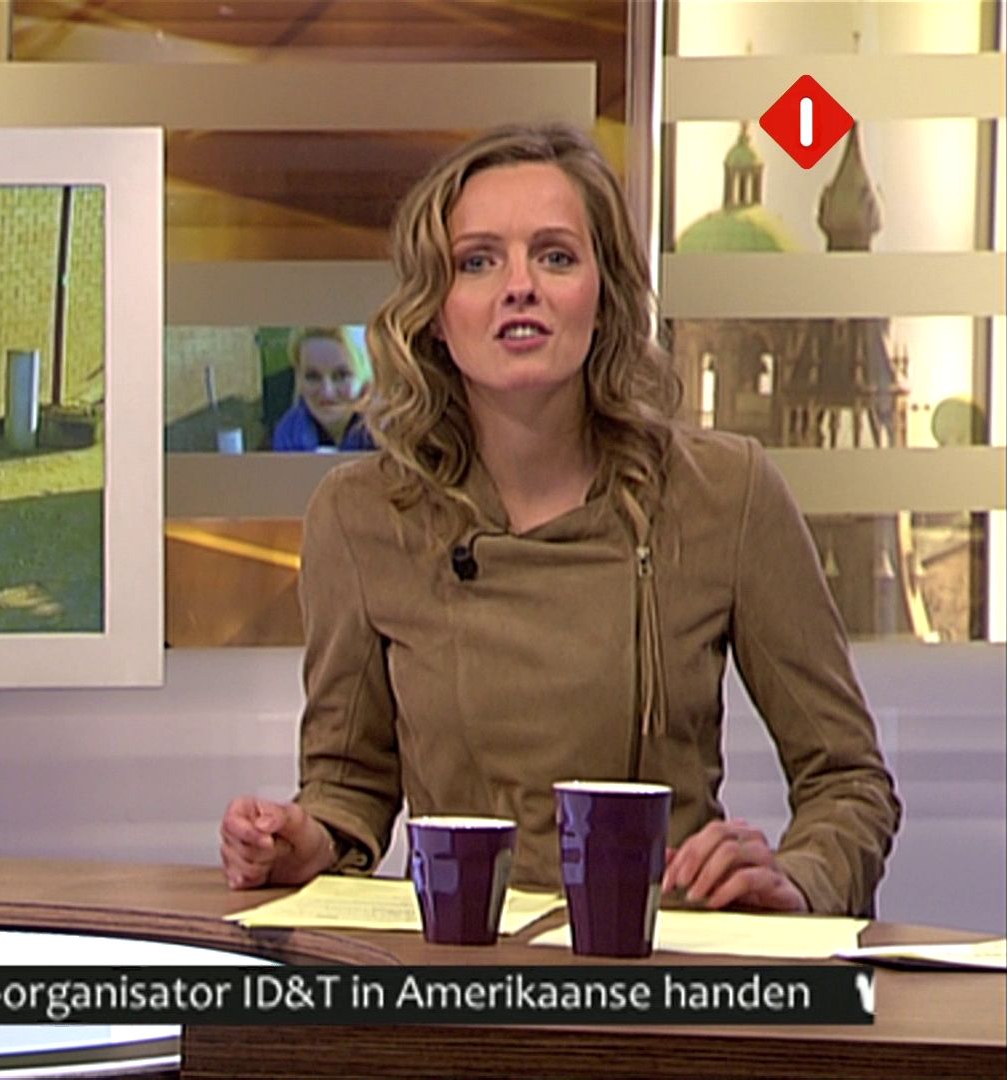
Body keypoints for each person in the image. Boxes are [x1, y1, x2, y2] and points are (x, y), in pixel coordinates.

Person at [219, 124, 900, 916]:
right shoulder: (362, 515)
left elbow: (848, 782)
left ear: (603, 295)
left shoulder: (725, 492)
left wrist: (801, 882)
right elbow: (347, 787)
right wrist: (302, 842)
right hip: (460, 960)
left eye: (555, 256)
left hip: (659, 959)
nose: (520, 286)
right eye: (478, 261)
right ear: (434, 311)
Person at [269, 326, 376, 452]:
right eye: (313, 376)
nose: (327, 392)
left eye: (341, 375)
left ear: (366, 377)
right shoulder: (287, 436)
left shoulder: (387, 436)